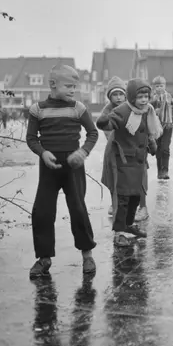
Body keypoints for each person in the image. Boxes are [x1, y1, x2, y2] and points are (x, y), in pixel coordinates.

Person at [26, 65, 99, 279]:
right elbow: (31, 138)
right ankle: (44, 258)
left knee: (78, 209)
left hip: (73, 167)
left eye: (74, 86)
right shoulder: (37, 110)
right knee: (42, 212)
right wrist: (42, 152)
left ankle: (87, 254)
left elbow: (92, 133)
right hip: (48, 167)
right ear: (52, 85)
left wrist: (83, 152)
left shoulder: (78, 108)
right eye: (68, 86)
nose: (72, 90)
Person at [96, 78, 162, 247]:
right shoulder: (123, 110)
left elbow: (148, 131)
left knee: (135, 195)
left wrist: (152, 145)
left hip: (139, 160)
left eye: (146, 96)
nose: (144, 100)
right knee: (123, 197)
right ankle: (119, 233)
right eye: (140, 97)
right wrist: (105, 122)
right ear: (132, 97)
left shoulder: (147, 110)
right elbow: (112, 122)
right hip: (123, 160)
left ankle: (129, 224)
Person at [100, 76, 127, 217]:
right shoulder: (108, 110)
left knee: (128, 177)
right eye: (115, 95)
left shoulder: (130, 107)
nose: (118, 98)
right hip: (114, 147)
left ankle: (131, 204)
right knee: (114, 177)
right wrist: (114, 138)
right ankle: (114, 202)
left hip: (129, 147)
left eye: (121, 94)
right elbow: (104, 126)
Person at [151, 76, 173, 180]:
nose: (159, 88)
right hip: (156, 126)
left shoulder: (169, 96)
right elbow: (148, 109)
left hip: (167, 125)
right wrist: (155, 109)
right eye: (157, 86)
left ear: (165, 86)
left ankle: (165, 170)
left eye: (161, 85)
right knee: (159, 148)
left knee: (165, 148)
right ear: (154, 87)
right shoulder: (152, 98)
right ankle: (160, 171)